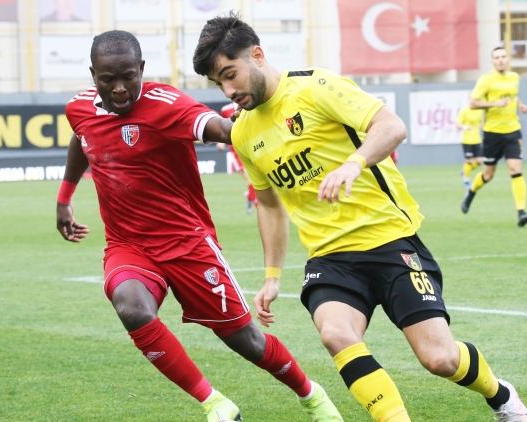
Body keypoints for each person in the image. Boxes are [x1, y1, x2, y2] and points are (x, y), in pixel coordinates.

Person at [193, 14, 527, 422]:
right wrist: (271, 276)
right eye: (218, 83)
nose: (229, 91)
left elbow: (392, 126)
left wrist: (353, 163)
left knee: (440, 359)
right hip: (329, 258)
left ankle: (501, 396)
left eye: (230, 75)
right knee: (335, 333)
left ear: (257, 54)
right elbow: (268, 204)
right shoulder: (243, 132)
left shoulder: (315, 86)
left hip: (390, 239)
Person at [56, 30, 342, 422]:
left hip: (188, 244)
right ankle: (215, 403)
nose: (120, 88)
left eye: (128, 77)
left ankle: (310, 395)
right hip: (128, 245)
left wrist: (250, 123)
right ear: (94, 76)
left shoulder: (167, 104)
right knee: (131, 307)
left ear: (142, 69)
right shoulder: (79, 108)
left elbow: (220, 130)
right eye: (108, 80)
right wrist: (65, 199)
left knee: (248, 342)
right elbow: (81, 137)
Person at [461, 47, 527, 227]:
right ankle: (471, 192)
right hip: (492, 133)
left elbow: (513, 96)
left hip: (513, 131)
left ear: (508, 59)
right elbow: (472, 103)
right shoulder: (486, 79)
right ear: (492, 62)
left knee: (515, 169)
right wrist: (496, 103)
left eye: (503, 56)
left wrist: (521, 105)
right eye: (497, 57)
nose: (501, 60)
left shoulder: (514, 77)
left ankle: (521, 213)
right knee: (488, 174)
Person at [216, 102, 258, 213]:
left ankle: (249, 196)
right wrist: (221, 142)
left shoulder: (251, 106)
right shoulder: (226, 109)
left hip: (252, 149)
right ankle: (261, 209)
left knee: (256, 181)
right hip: (236, 152)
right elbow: (223, 128)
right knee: (249, 179)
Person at [455, 104, 484, 189]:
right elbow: (457, 124)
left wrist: (483, 125)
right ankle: (466, 181)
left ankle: (465, 171)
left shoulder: (480, 110)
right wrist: (464, 127)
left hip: (477, 139)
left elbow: (481, 122)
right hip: (467, 140)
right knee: (469, 161)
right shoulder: (464, 111)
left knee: (479, 161)